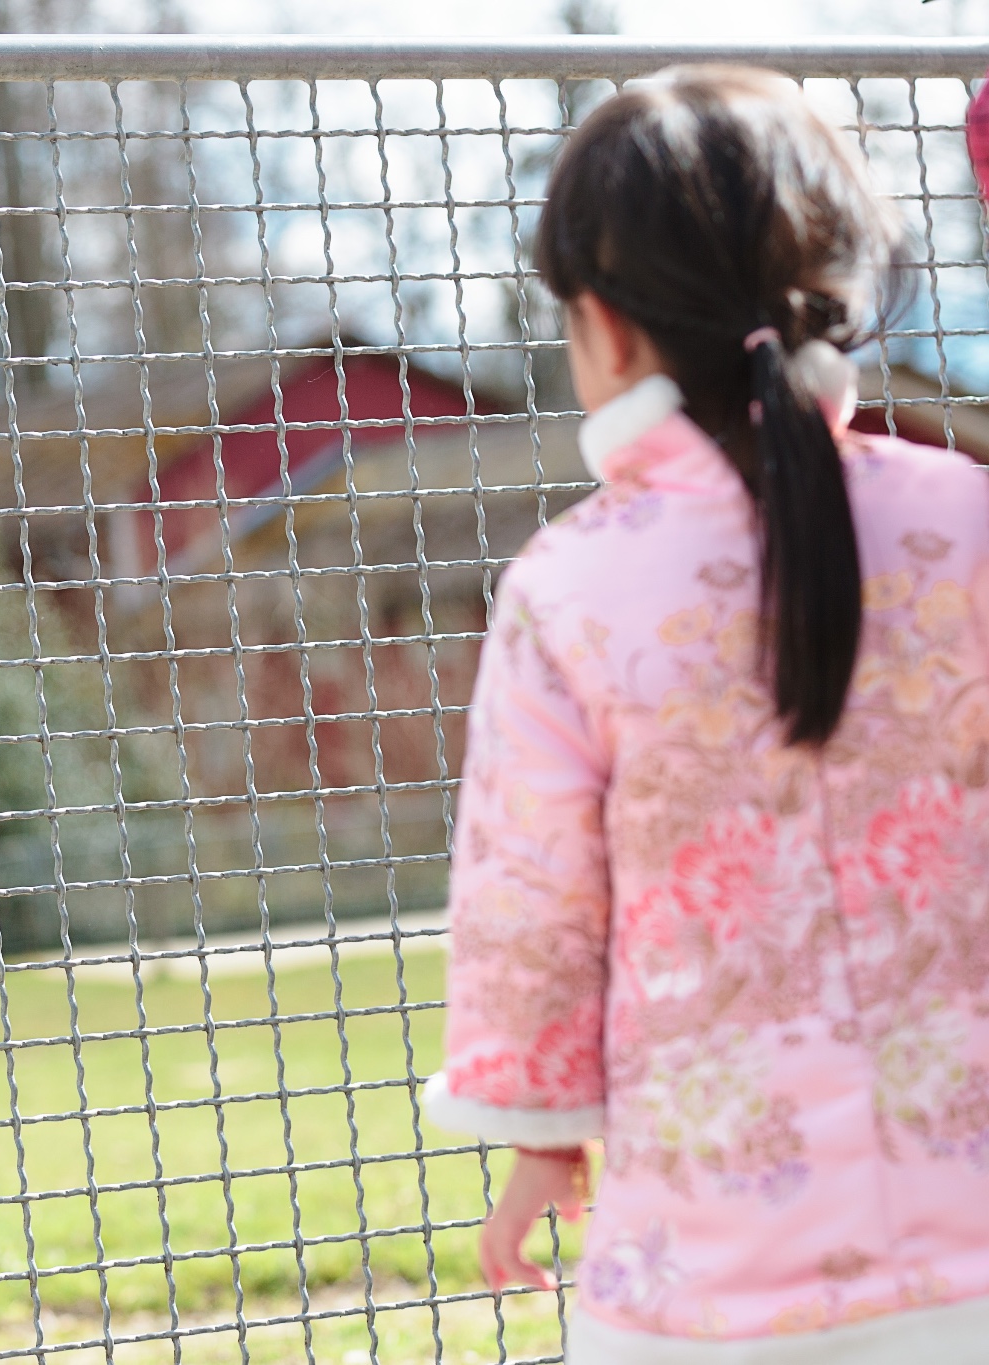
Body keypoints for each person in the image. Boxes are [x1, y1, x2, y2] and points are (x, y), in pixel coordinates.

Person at [424, 65, 989, 1362]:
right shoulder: (969, 522)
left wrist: (542, 1131)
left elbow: (531, 908)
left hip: (716, 1271)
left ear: (606, 331)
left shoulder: (568, 589)